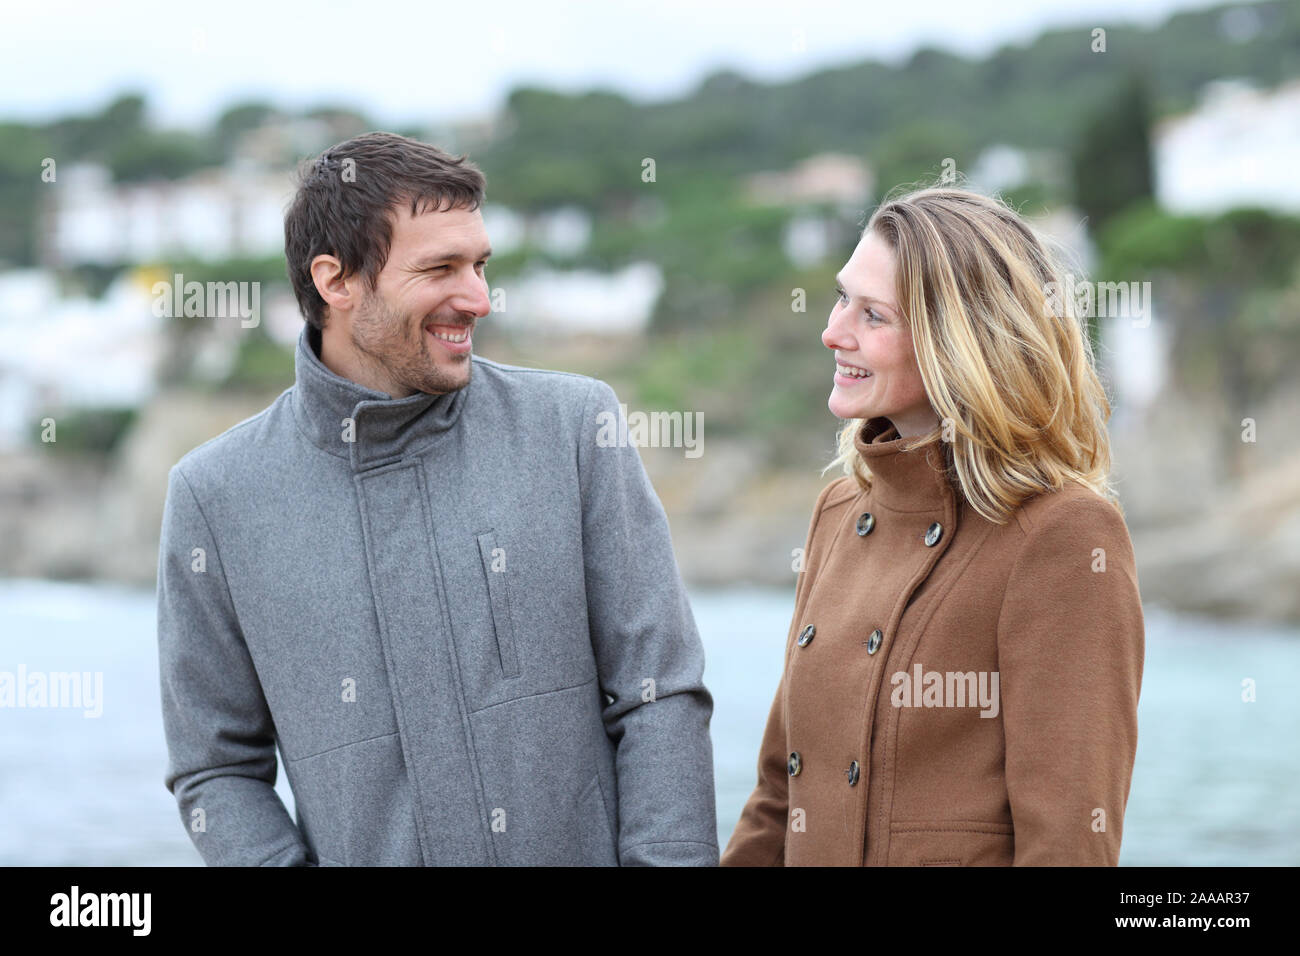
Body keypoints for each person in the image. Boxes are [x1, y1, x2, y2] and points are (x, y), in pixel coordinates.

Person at [156, 132, 718, 866]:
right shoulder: (215, 497)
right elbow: (216, 769)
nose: (478, 298)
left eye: (480, 265)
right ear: (337, 281)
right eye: (441, 269)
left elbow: (659, 694)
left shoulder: (575, 429)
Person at [720, 185, 1144, 866]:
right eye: (840, 298)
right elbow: (780, 795)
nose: (834, 331)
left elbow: (1067, 842)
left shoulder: (1065, 537)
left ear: (960, 343)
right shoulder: (837, 513)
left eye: (874, 315)